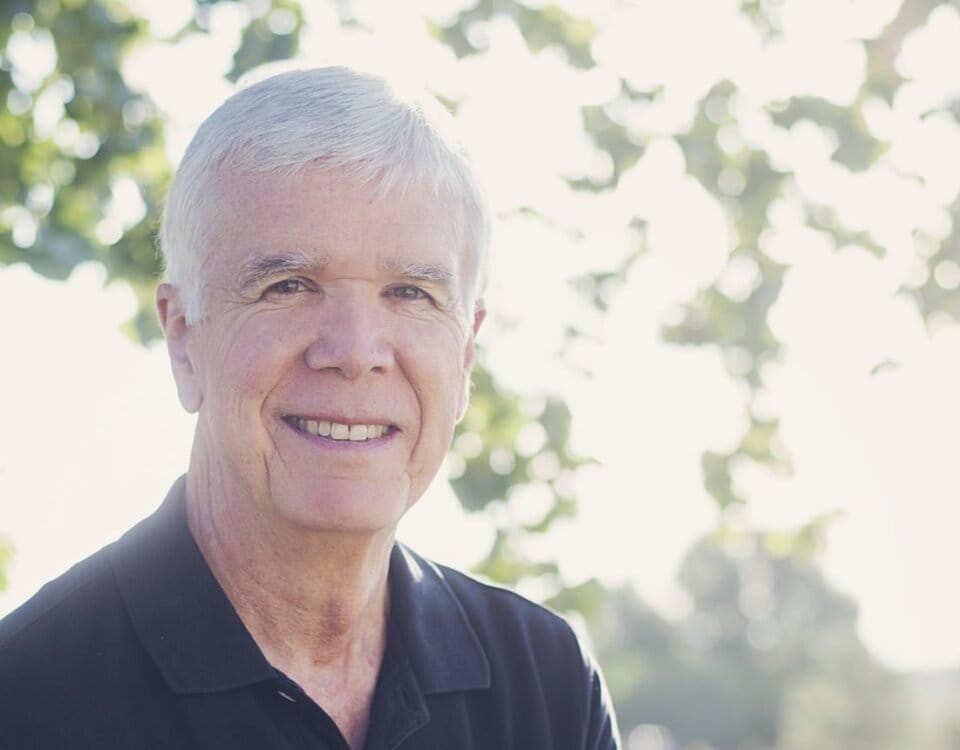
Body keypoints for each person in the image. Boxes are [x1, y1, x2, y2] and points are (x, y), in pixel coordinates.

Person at [0, 66, 620, 749]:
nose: (355, 352)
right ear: (184, 340)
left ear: (466, 353)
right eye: (288, 285)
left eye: (411, 293)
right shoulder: (26, 697)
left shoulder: (545, 685)